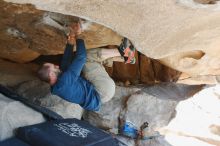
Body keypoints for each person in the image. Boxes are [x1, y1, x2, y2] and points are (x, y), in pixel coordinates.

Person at [38, 22, 122, 111]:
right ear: (51, 75)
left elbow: (65, 63)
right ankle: (122, 52)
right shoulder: (64, 82)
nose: (57, 66)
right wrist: (78, 34)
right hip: (102, 90)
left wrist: (70, 41)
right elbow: (81, 58)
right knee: (87, 57)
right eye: (54, 67)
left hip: (100, 92)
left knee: (83, 61)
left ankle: (124, 58)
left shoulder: (58, 84)